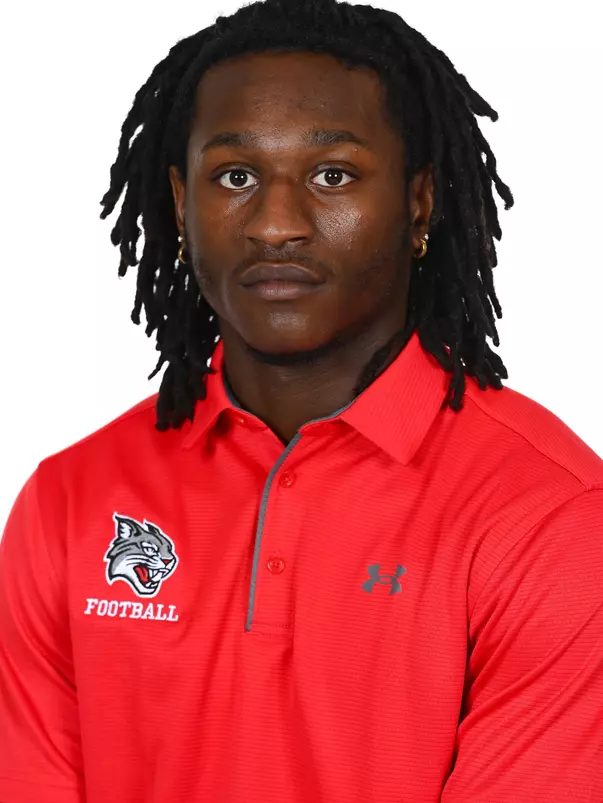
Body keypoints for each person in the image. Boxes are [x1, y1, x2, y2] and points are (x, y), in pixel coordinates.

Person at [1, 0, 601, 800]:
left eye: (332, 175)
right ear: (180, 203)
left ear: (419, 202)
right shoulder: (70, 500)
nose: (275, 224)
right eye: (236, 176)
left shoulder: (550, 516)